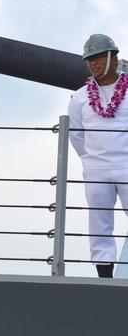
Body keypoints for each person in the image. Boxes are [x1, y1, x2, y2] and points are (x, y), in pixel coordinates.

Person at [67, 34, 128, 278]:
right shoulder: (80, 96)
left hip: (126, 163)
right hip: (96, 168)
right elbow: (76, 135)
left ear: (114, 58)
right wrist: (91, 160)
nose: (93, 63)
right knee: (99, 222)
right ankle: (105, 276)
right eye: (89, 59)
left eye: (99, 57)